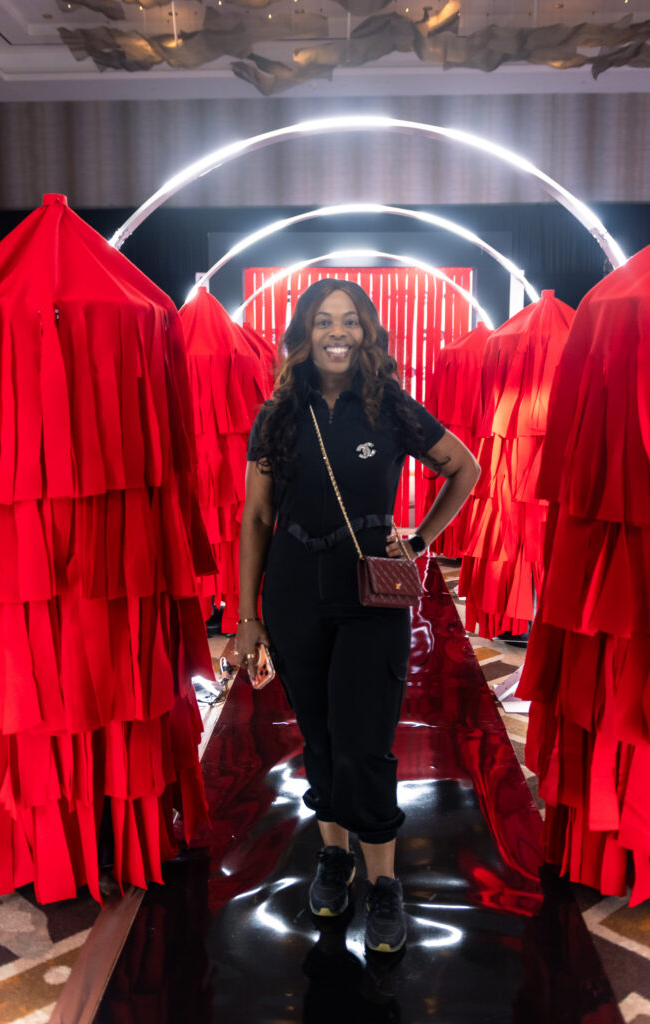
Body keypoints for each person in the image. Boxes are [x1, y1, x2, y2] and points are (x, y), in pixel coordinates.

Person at [236, 279, 480, 953]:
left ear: (366, 332)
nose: (336, 333)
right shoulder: (278, 414)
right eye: (323, 321)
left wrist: (421, 540)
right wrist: (247, 615)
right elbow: (256, 516)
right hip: (293, 589)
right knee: (317, 734)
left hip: (371, 591)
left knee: (364, 741)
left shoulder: (390, 406)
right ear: (304, 334)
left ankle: (384, 883)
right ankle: (333, 855)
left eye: (348, 321)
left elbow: (464, 468)